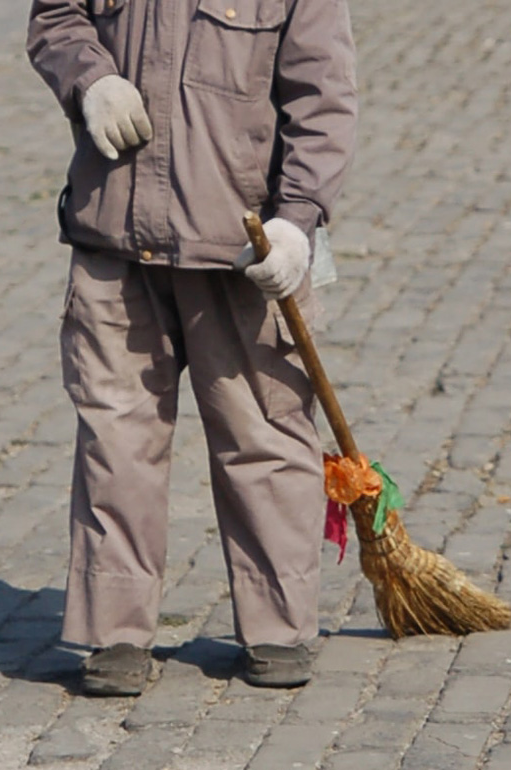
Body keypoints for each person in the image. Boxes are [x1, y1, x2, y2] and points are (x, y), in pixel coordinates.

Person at [26, 0, 357, 695]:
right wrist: (91, 81)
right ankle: (114, 632)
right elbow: (56, 17)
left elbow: (322, 97)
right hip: (112, 234)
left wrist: (297, 223)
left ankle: (278, 626)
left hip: (236, 248)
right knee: (115, 437)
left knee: (261, 432)